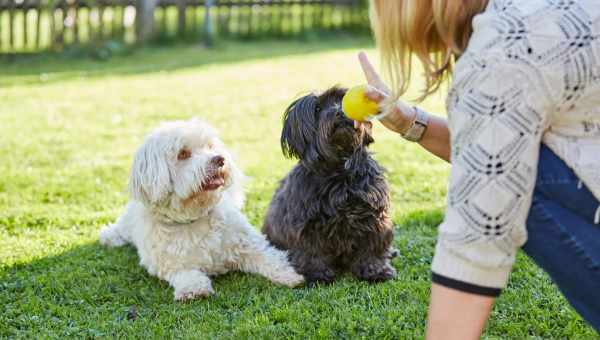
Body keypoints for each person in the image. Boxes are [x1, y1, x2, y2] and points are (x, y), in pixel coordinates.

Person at [357, 0, 600, 338]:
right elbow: (500, 146)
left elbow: (476, 239)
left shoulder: (503, 48)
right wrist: (410, 122)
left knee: (518, 183)